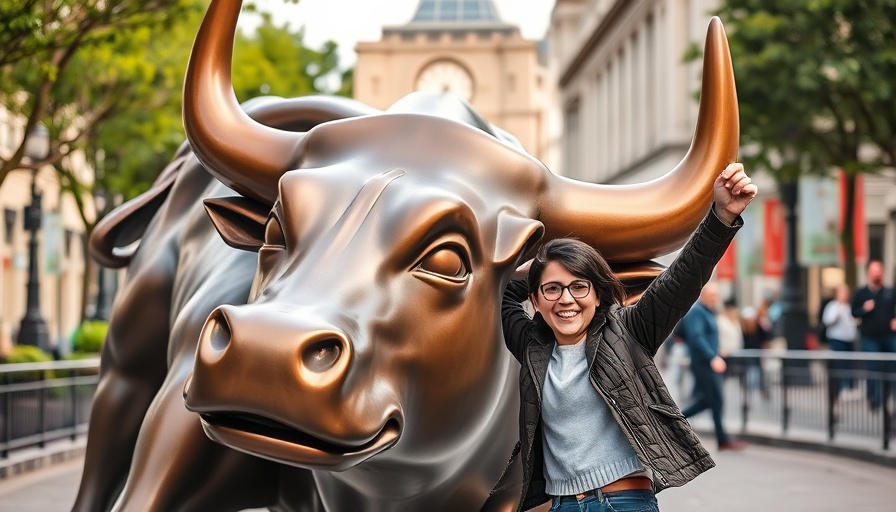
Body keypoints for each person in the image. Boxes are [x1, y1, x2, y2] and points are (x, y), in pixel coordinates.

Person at [501, 163, 756, 512]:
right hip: (561, 506)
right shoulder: (532, 346)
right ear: (535, 299)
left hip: (622, 502)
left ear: (597, 295)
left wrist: (721, 217)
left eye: (579, 286)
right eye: (552, 289)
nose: (566, 300)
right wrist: (542, 262)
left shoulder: (629, 331)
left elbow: (683, 278)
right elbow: (500, 294)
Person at [679, 282, 745, 451]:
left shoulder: (708, 312)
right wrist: (712, 357)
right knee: (710, 400)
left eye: (716, 295)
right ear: (703, 295)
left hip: (709, 361)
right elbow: (696, 337)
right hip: (703, 364)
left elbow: (707, 337)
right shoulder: (697, 312)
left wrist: (717, 350)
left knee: (715, 401)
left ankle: (722, 439)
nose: (715, 298)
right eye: (712, 295)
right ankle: (675, 421)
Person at [850, 260, 896, 411]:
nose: (877, 273)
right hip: (869, 337)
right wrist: (864, 309)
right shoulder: (861, 293)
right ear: (868, 273)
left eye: (879, 270)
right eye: (874, 270)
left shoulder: (889, 292)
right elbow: (854, 312)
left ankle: (887, 398)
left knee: (891, 367)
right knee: (873, 367)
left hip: (888, 336)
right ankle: (875, 399)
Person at [822, 284, 858, 398]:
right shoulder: (832, 306)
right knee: (840, 364)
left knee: (849, 364)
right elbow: (827, 321)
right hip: (837, 339)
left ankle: (849, 387)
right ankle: (840, 388)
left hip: (849, 339)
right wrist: (838, 313)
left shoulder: (849, 307)